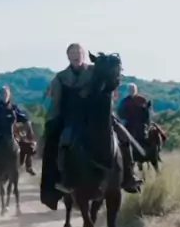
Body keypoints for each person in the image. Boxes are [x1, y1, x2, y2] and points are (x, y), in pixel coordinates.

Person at [45, 43, 141, 194]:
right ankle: (65, 179)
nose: (76, 55)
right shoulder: (60, 77)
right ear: (68, 56)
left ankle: (129, 175)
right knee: (63, 140)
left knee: (124, 137)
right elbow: (56, 101)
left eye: (79, 52)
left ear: (83, 55)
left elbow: (109, 85)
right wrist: (53, 119)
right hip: (72, 116)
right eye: (73, 53)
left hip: (98, 114)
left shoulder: (94, 71)